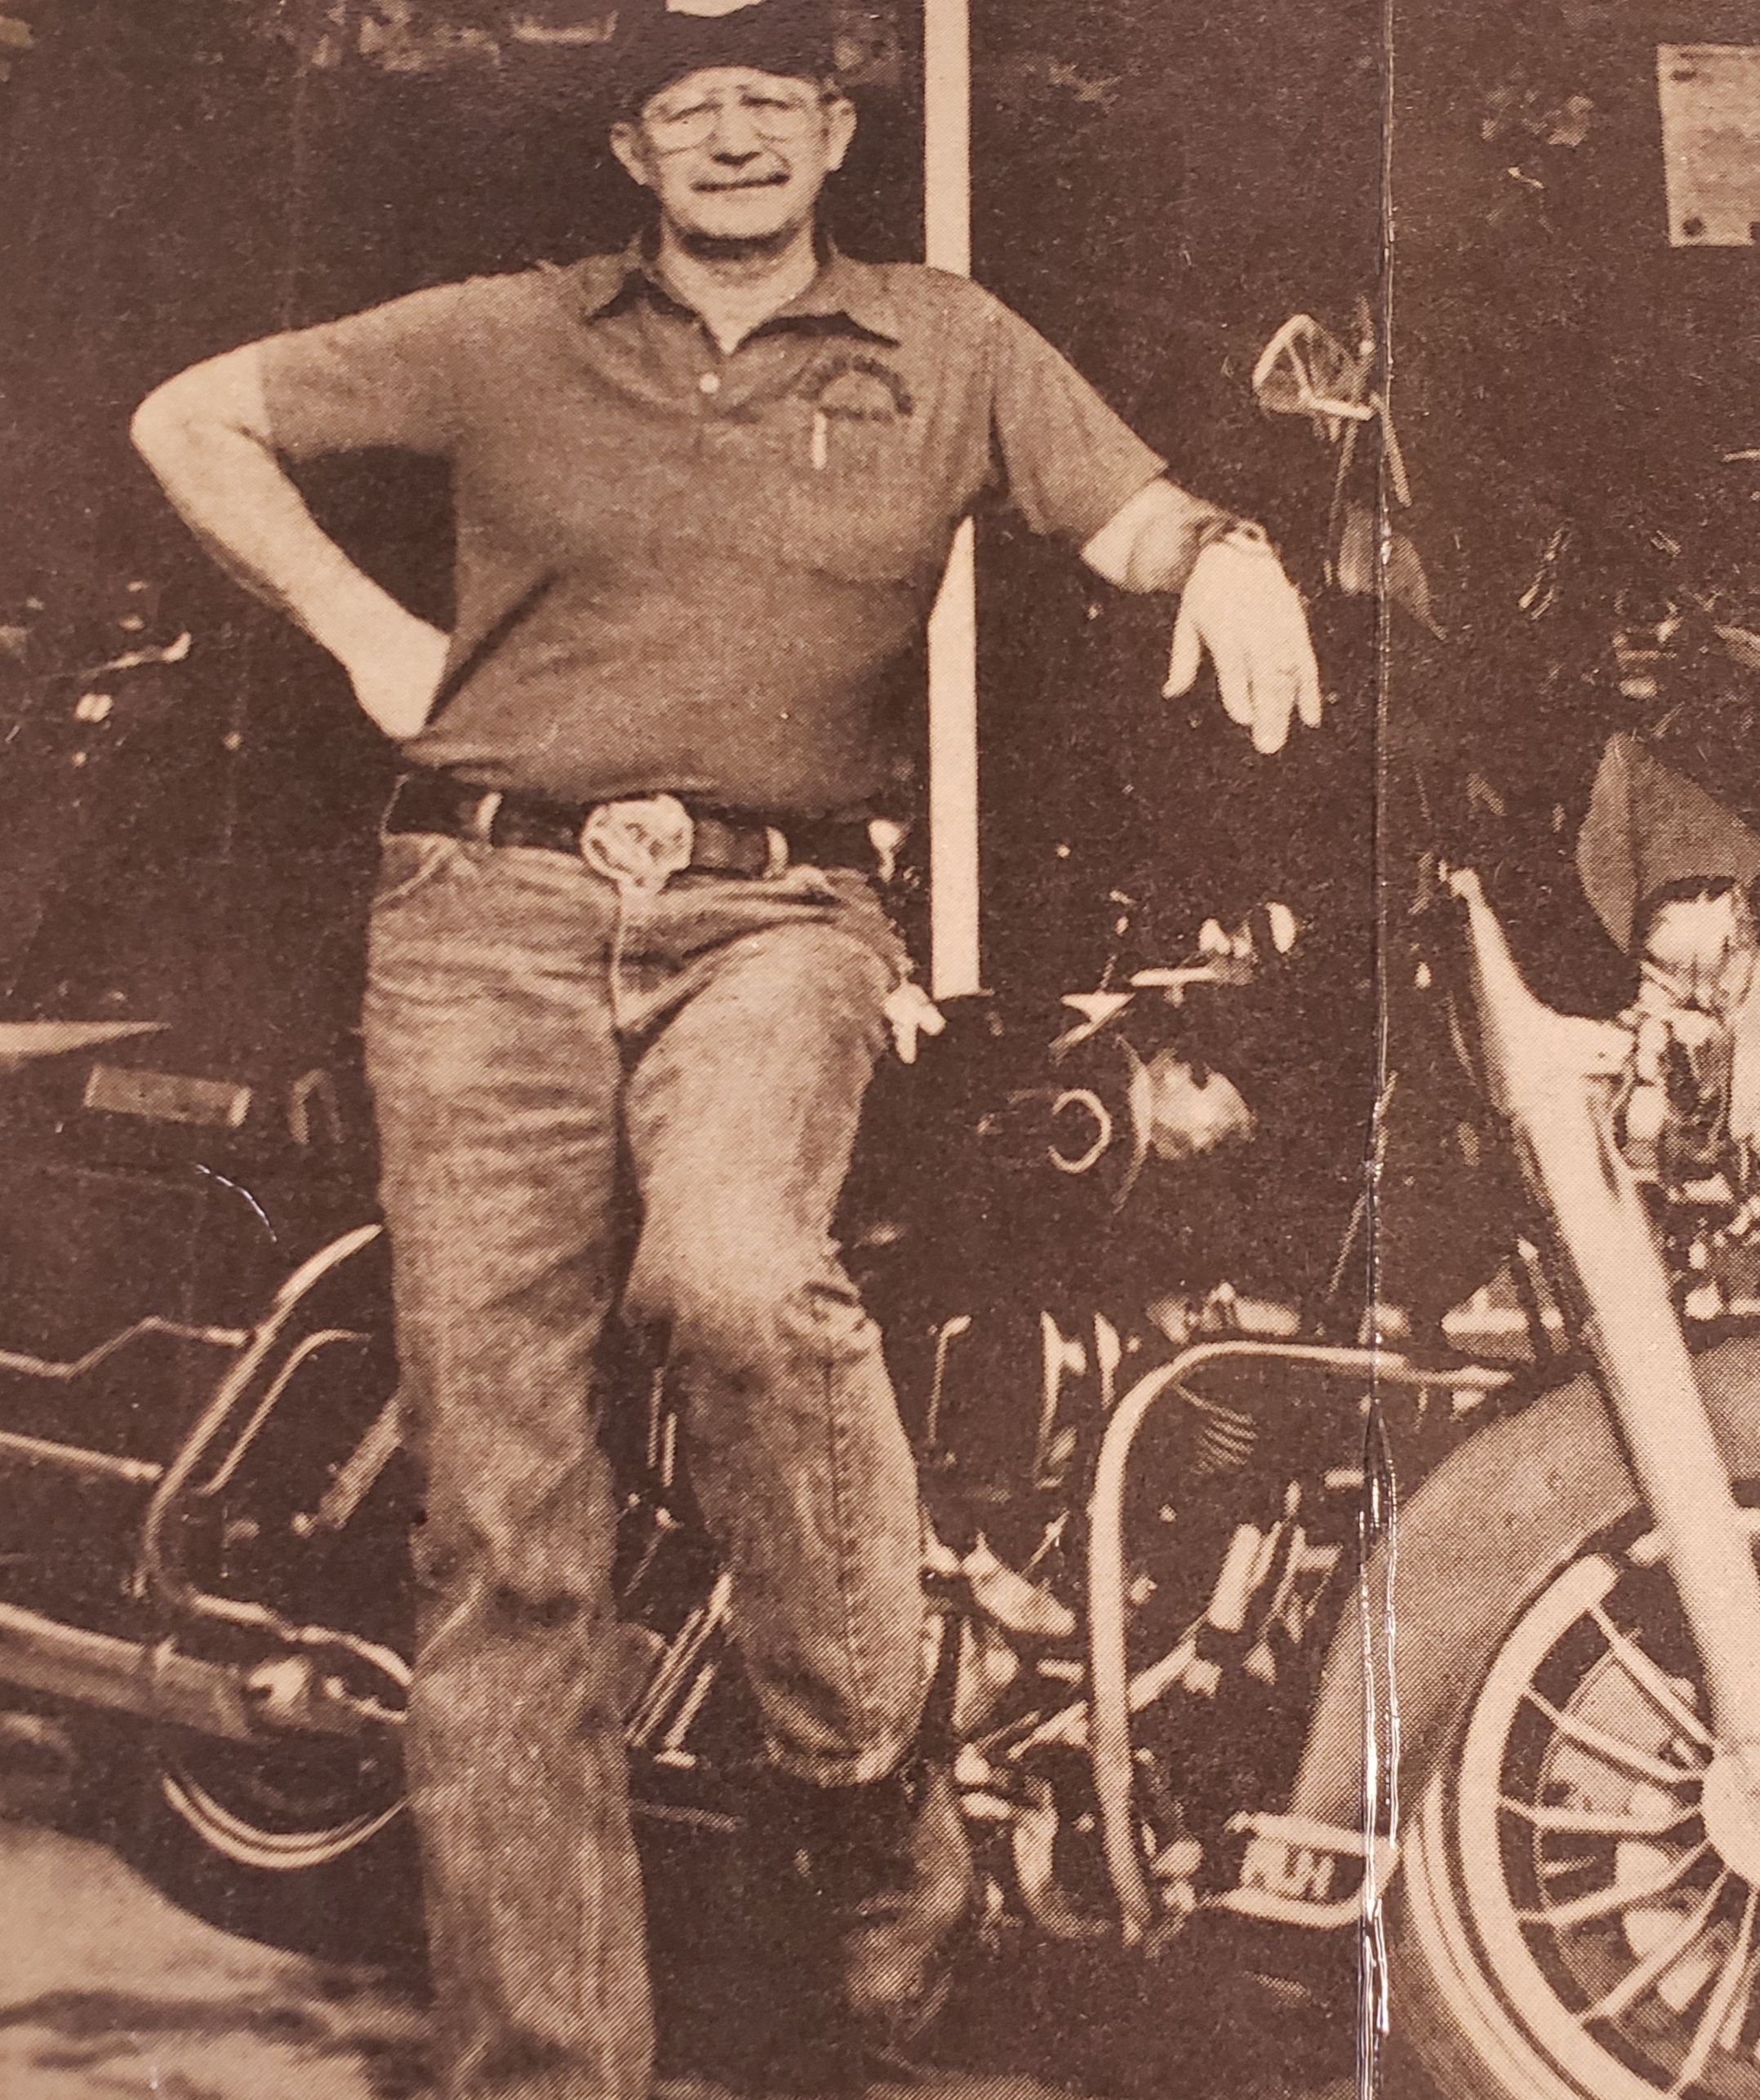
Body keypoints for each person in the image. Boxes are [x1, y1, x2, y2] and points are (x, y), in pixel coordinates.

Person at [128, 2, 1321, 2096]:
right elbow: (190, 417)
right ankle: (546, 2067)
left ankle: (864, 1779)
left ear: (835, 128)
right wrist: (362, 629)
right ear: (633, 145)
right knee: (507, 1541)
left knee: (737, 1277)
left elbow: (1127, 517)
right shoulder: (506, 332)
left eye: (772, 96)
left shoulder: (945, 341)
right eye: (692, 103)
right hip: (481, 919)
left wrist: (1225, 554)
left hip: (779, 917)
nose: (736, 135)